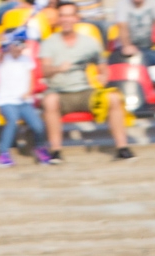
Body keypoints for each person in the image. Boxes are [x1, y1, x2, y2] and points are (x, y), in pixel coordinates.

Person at [39, 1, 134, 162]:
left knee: (114, 98)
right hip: (60, 93)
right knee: (49, 101)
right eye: (62, 15)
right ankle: (56, 151)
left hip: (84, 91)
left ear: (76, 18)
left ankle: (122, 148)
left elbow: (102, 66)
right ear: (59, 19)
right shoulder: (50, 42)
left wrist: (102, 75)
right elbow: (45, 71)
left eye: (69, 15)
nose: (66, 19)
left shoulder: (89, 42)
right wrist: (58, 69)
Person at [0, 28, 46, 164]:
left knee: (38, 125)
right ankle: (3, 153)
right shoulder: (2, 58)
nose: (20, 47)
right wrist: (4, 40)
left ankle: (39, 148)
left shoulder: (26, 60)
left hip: (24, 101)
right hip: (6, 101)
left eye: (22, 44)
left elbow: (30, 78)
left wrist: (29, 91)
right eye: (17, 43)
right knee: (12, 121)